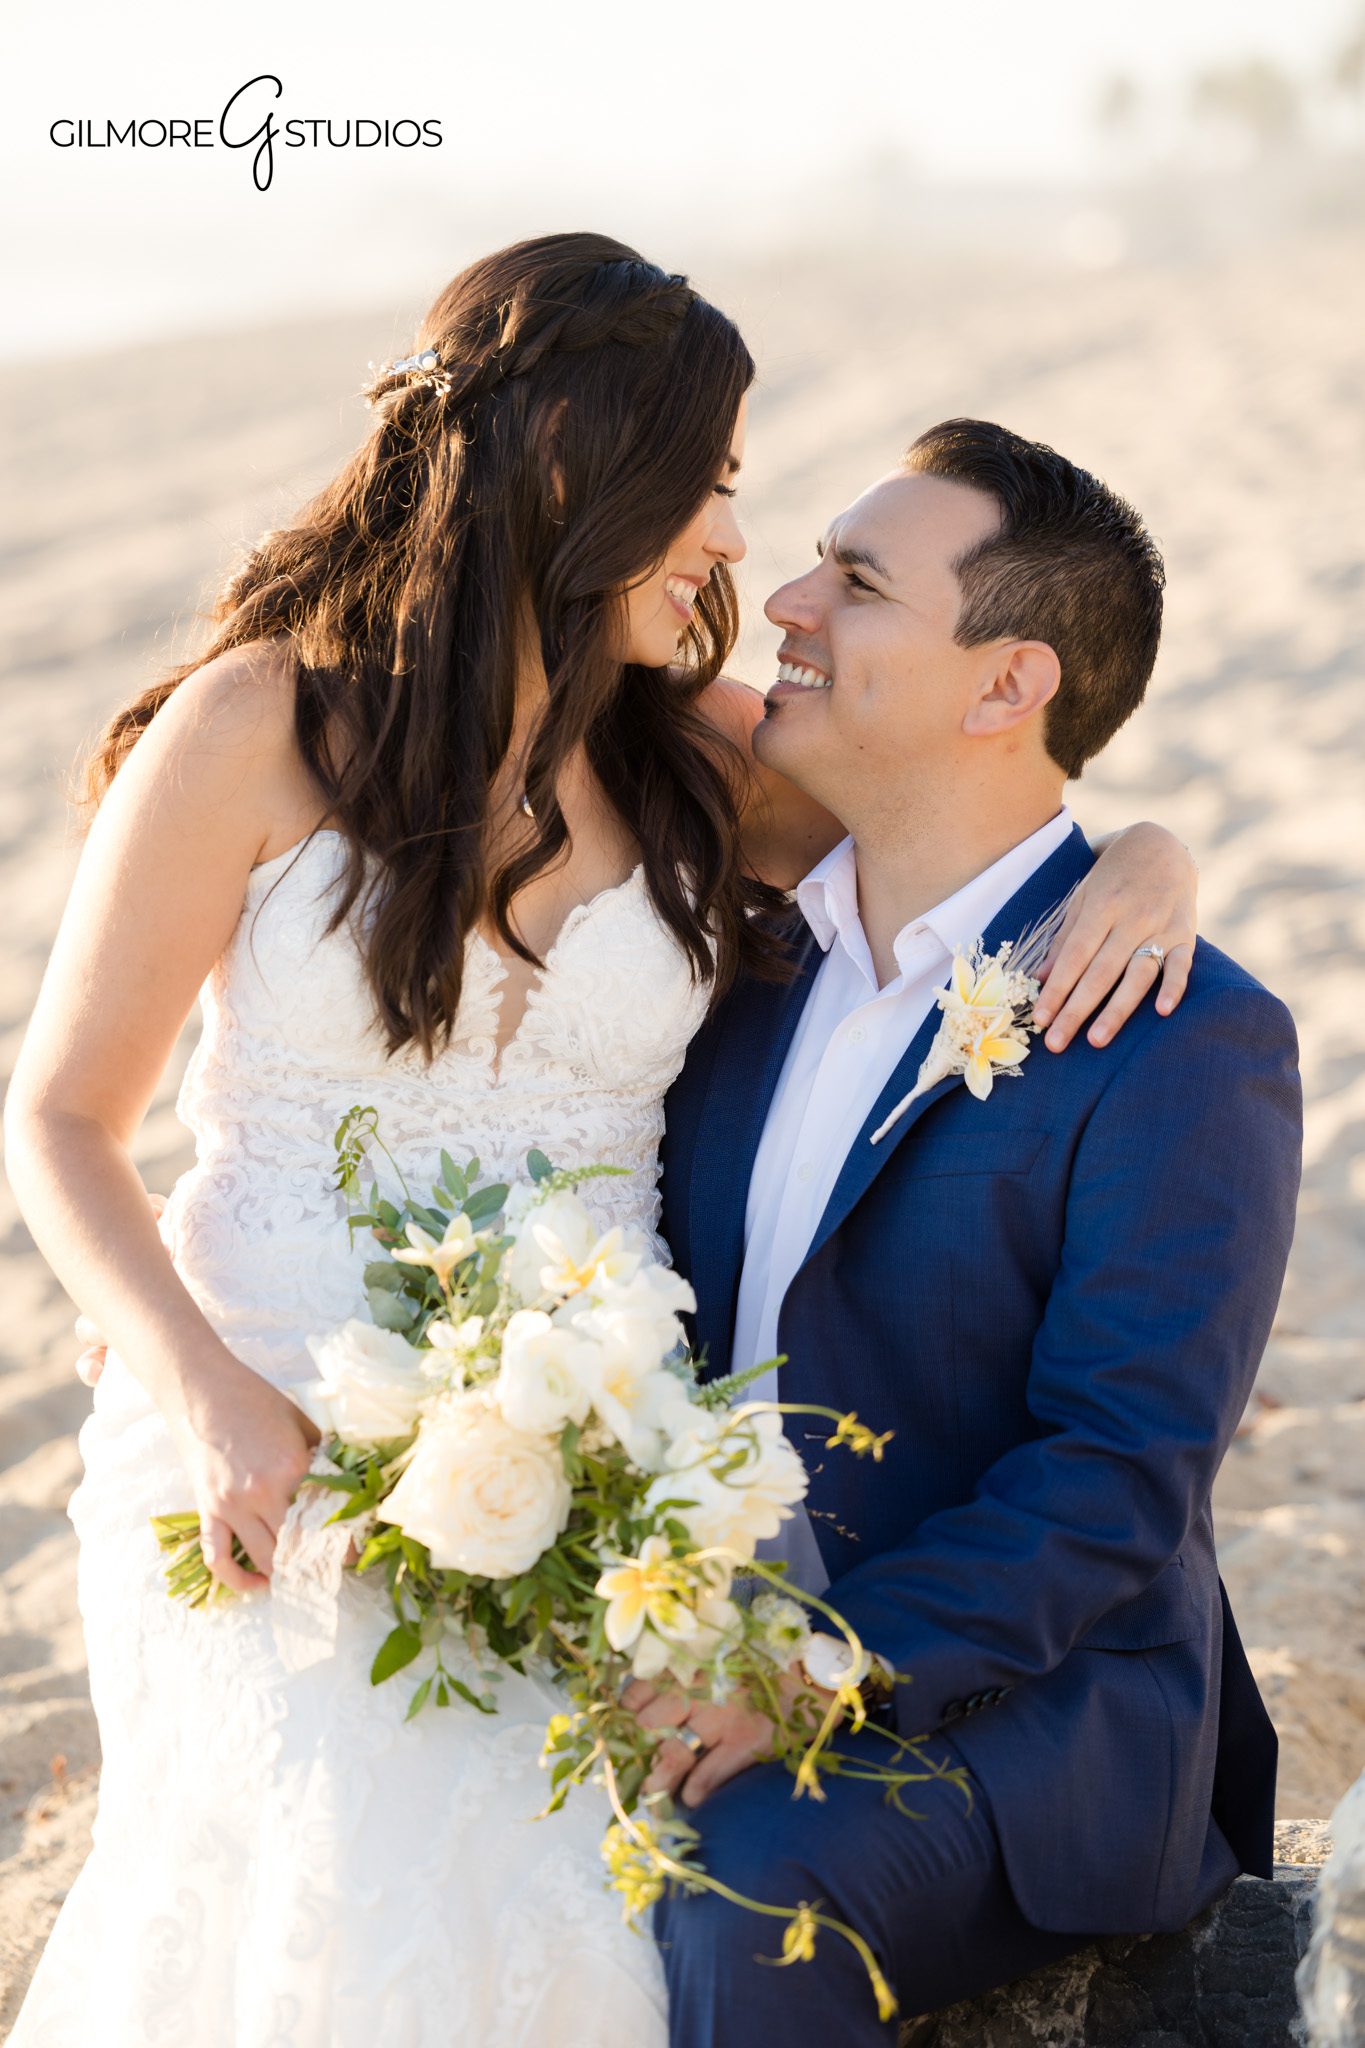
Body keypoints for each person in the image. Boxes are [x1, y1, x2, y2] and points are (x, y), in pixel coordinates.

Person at [3, 232, 1196, 2047]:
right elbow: (63, 1120)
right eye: (710, 488)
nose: (737, 544)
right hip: (256, 1433)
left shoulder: (696, 760)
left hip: (606, 1448)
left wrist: (1151, 859)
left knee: (595, 1912)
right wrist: (201, 1387)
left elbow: (978, 810)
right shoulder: (255, 723)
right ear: (574, 474)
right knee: (339, 1866)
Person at [644, 418, 1303, 2043]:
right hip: (670, 1624)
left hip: (1013, 1722)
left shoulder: (1176, 1033)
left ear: (1006, 686)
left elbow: (1117, 1471)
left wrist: (803, 1673)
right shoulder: (731, 969)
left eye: (857, 582)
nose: (788, 598)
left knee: (742, 1899)